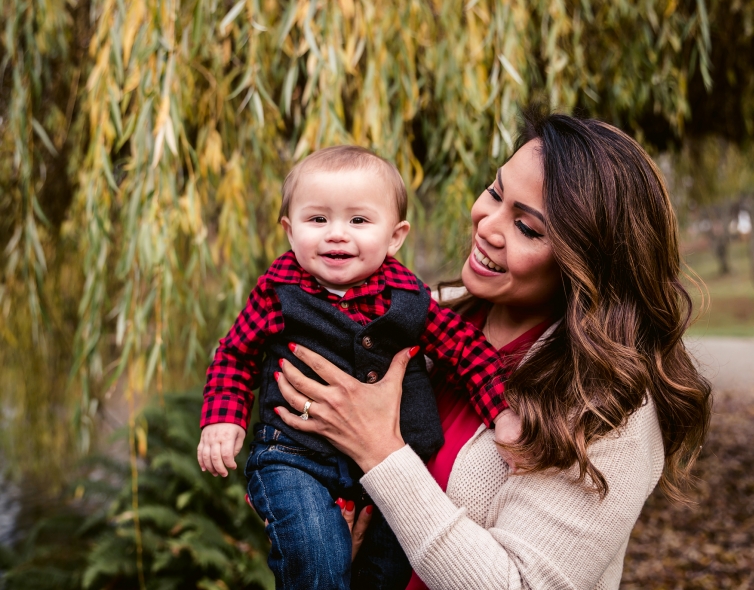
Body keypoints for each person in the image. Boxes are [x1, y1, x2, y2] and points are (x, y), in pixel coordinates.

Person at [270, 107, 713, 589]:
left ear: (585, 265)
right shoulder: (422, 320)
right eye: (495, 193)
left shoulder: (609, 405)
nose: (486, 225)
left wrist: (381, 451)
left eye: (527, 228)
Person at [196, 146, 520, 589]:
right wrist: (223, 417)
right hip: (295, 458)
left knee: (386, 572)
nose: (336, 235)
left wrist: (503, 412)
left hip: (395, 471)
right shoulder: (279, 291)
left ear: (396, 236)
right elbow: (235, 354)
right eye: (317, 220)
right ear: (290, 231)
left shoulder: (409, 300)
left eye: (359, 221)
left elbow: (467, 350)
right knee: (317, 557)